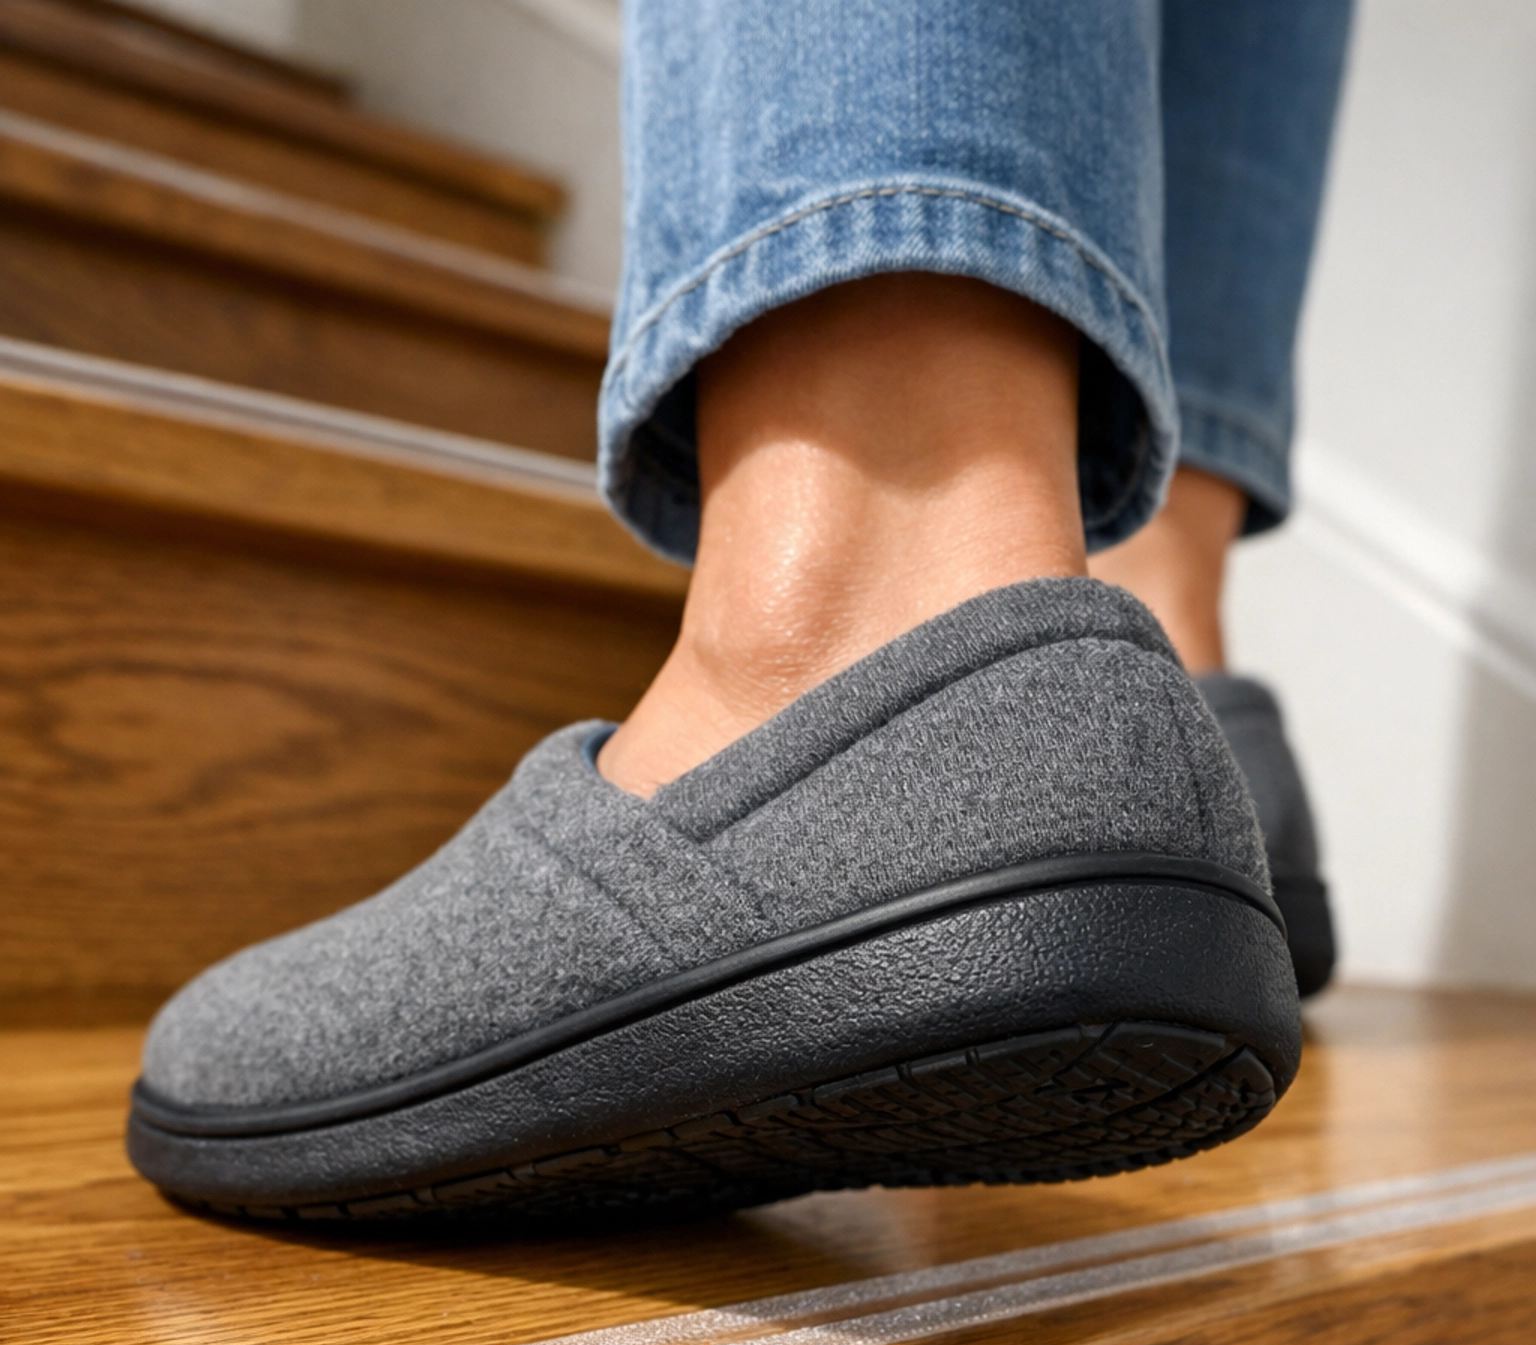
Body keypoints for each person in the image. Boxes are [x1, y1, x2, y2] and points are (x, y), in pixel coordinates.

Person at [128, 0, 1354, 1229]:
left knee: (917, 555)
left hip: (904, 720)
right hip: (1097, 719)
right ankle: (1136, 608)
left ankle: (871, 591)